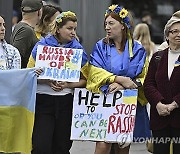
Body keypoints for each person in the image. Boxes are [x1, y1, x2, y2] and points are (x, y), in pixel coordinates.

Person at [86, 4, 150, 154]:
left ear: (123, 26)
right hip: (105, 102)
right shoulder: (100, 46)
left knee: (123, 147)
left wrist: (127, 85)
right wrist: (118, 79)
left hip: (126, 106)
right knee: (103, 146)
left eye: (111, 23)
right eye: (105, 24)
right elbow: (94, 72)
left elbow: (145, 75)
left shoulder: (137, 49)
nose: (107, 27)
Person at [27, 11, 88, 154]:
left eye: (75, 29)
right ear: (58, 28)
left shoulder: (78, 50)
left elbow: (85, 80)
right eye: (69, 28)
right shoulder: (41, 47)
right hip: (43, 101)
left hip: (66, 102)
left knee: (62, 146)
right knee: (41, 146)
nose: (73, 32)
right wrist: (47, 80)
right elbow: (29, 74)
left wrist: (67, 85)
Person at [144, 10, 180, 154]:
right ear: (167, 35)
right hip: (159, 118)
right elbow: (149, 84)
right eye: (174, 31)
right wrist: (158, 104)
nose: (178, 34)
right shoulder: (158, 57)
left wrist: (173, 105)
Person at [10, 0, 43, 68]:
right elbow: (15, 59)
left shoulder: (20, 26)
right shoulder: (26, 30)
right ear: (39, 12)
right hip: (24, 77)